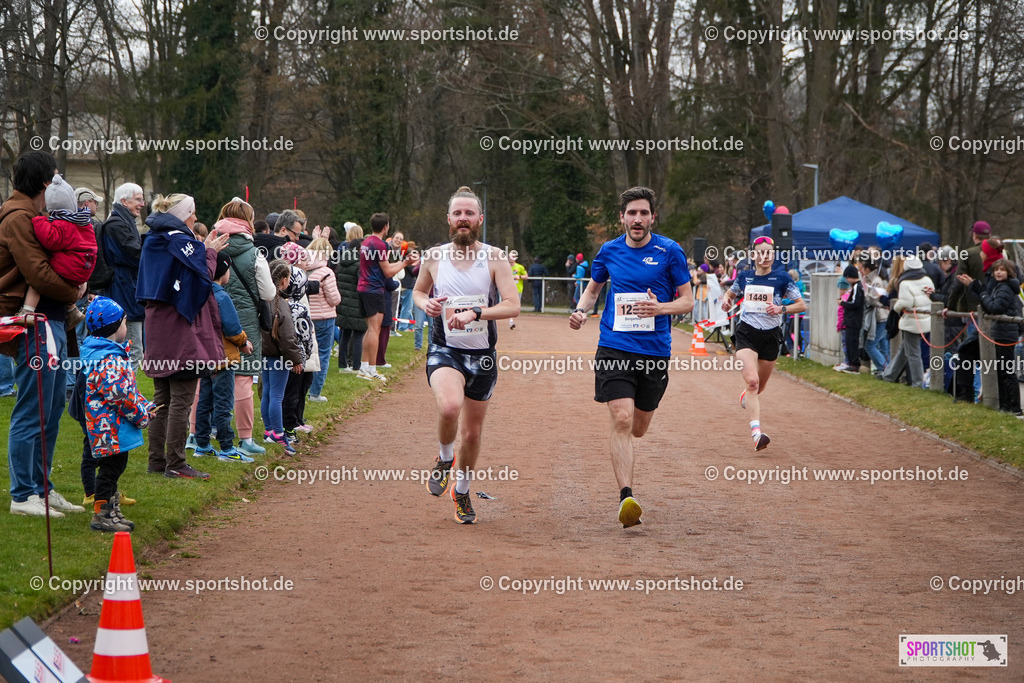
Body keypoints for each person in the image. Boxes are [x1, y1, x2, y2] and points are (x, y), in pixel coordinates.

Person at [569, 186, 693, 528]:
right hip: (614, 346)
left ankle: (629, 472)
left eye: (643, 213)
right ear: (622, 217)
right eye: (631, 213)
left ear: (653, 216)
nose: (637, 219)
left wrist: (661, 307)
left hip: (654, 351)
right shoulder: (608, 251)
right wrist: (580, 312)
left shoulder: (670, 252)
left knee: (638, 427)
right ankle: (626, 496)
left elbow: (688, 301)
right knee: (621, 419)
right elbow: (593, 291)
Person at [414, 186, 520, 524]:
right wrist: (425, 303)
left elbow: (512, 305)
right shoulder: (434, 256)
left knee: (472, 435)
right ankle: (445, 458)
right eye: (457, 214)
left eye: (469, 214)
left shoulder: (495, 258)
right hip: (445, 349)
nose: (463, 219)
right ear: (449, 219)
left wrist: (477, 312)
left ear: (479, 219)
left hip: (483, 356)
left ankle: (461, 490)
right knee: (448, 406)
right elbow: (417, 291)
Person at [1, 150, 86, 517]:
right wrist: (75, 292)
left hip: (49, 322)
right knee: (31, 409)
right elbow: (38, 273)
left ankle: (42, 487)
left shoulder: (35, 215)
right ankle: (22, 494)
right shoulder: (19, 217)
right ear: (42, 182)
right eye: (54, 177)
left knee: (49, 410)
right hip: (32, 325)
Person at [137, 193, 229, 480]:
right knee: (182, 397)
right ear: (183, 214)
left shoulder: (155, 238)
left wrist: (201, 249)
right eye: (192, 212)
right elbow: (203, 279)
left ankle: (156, 460)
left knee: (162, 396)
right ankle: (176, 463)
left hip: (157, 323)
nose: (195, 218)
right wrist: (210, 251)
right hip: (179, 326)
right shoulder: (179, 240)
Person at [721, 235, 807, 452]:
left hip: (770, 336)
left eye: (769, 252)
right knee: (752, 382)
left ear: (773, 255)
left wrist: (781, 309)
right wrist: (726, 300)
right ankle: (757, 433)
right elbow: (729, 294)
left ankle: (746, 396)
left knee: (760, 385)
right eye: (760, 252)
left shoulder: (782, 279)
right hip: (746, 334)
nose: (765, 256)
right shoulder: (745, 277)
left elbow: (801, 305)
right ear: (753, 255)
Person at [78, 297, 156, 531]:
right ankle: (102, 513)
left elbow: (129, 389)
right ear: (114, 327)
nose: (126, 326)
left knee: (114, 467)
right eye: (124, 322)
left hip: (108, 426)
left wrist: (144, 405)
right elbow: (120, 396)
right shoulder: (108, 359)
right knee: (111, 470)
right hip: (108, 428)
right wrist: (142, 416)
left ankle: (111, 509)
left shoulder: (108, 353)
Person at [214, 198, 275, 456]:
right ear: (247, 221)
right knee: (243, 379)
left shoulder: (211, 245)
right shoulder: (255, 254)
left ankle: (197, 435)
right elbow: (269, 293)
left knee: (206, 376)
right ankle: (245, 438)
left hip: (212, 316)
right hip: (245, 322)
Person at [193, 252, 255, 462]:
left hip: (205, 358)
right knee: (223, 403)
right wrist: (244, 342)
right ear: (223, 272)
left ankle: (201, 444)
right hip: (224, 358)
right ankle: (227, 448)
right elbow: (232, 328)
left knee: (204, 401)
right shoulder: (222, 296)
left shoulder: (200, 293)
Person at [19, 174, 94, 330]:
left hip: (70, 268)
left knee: (39, 278)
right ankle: (72, 310)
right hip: (84, 268)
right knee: (65, 275)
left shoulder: (62, 224)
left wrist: (39, 220)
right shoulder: (84, 222)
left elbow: (50, 240)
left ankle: (27, 311)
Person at [958, 258, 1022, 415]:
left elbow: (994, 307)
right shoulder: (1000, 287)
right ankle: (1004, 406)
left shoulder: (1005, 288)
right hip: (1000, 332)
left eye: (1002, 270)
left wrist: (981, 292)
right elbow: (989, 304)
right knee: (1001, 370)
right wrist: (977, 288)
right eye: (996, 270)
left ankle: (1014, 408)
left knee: (1007, 371)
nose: (998, 272)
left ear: (1009, 272)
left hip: (1005, 334)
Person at [358, 212, 417, 382]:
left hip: (363, 288)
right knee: (375, 330)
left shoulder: (366, 242)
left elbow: (383, 265)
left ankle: (363, 367)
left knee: (369, 330)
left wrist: (402, 262)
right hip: (374, 290)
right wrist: (405, 263)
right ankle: (371, 368)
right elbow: (388, 271)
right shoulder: (380, 245)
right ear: (386, 227)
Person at [261, 259, 304, 455]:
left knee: (268, 393)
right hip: (279, 357)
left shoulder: (263, 299)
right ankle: (279, 434)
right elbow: (287, 337)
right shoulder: (281, 305)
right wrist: (296, 359)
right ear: (285, 280)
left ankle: (268, 431)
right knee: (277, 396)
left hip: (265, 354)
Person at [101, 182, 146, 368]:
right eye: (138, 199)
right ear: (124, 201)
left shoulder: (123, 222)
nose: (142, 204)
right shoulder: (117, 225)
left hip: (125, 290)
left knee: (129, 349)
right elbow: (136, 254)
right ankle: (126, 392)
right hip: (124, 293)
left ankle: (123, 391)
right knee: (132, 349)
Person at [278, 246, 317, 441]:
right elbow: (306, 336)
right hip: (297, 359)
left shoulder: (277, 303)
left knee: (277, 394)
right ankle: (289, 428)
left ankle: (275, 428)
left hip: (278, 356)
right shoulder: (299, 308)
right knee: (291, 393)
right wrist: (305, 355)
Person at [880, 256, 934, 388]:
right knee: (904, 349)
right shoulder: (927, 280)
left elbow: (906, 302)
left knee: (914, 353)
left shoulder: (905, 283)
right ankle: (889, 375)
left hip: (912, 320)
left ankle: (917, 383)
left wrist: (896, 307)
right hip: (925, 318)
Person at [306, 228, 341, 401]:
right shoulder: (326, 273)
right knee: (323, 354)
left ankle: (303, 390)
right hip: (325, 318)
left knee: (307, 354)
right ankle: (315, 393)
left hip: (306, 317)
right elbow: (334, 299)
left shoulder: (304, 269)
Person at [335, 224, 365, 372]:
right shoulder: (360, 265)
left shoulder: (342, 262)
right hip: (356, 303)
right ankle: (356, 365)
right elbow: (362, 285)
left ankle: (342, 365)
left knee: (344, 335)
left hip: (343, 302)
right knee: (359, 335)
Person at [834, 265, 864, 373]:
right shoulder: (856, 287)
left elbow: (855, 303)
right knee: (850, 342)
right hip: (852, 320)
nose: (847, 280)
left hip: (853, 321)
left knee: (852, 343)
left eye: (847, 277)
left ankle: (854, 364)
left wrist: (842, 303)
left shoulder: (857, 287)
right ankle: (851, 363)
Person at [509, 253, 527, 329]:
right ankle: (511, 321)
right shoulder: (505, 267)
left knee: (516, 307)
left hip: (518, 289)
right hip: (508, 289)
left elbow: (526, 276)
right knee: (509, 305)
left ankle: (511, 319)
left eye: (513, 257)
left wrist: (519, 277)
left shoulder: (520, 267)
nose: (511, 258)